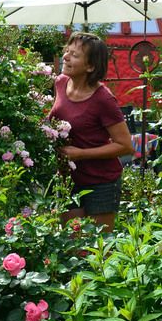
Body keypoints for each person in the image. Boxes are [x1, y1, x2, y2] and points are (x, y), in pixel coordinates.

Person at [48, 32, 133, 233]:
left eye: (74, 55)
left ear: (91, 66)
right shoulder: (60, 83)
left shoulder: (103, 99)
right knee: (73, 243)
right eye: (66, 51)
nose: (66, 57)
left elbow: (125, 145)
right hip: (68, 178)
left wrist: (80, 154)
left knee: (97, 247)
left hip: (101, 181)